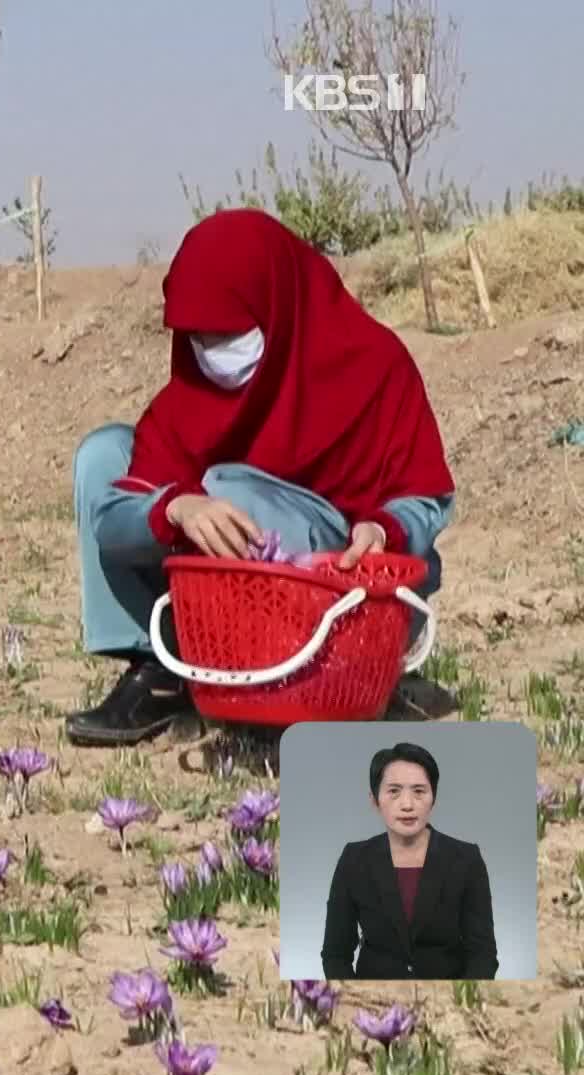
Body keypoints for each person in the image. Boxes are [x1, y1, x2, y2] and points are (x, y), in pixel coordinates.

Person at [66, 208, 455, 747]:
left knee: (226, 488)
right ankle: (158, 667)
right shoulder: (190, 400)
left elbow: (425, 495)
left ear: (280, 307)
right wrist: (176, 508)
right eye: (198, 335)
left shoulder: (374, 367)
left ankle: (294, 678)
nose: (214, 351)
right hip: (225, 607)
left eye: (229, 332)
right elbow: (113, 519)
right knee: (104, 455)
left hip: (343, 598)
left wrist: (384, 530)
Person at [320, 742, 497, 980]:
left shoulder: (466, 859)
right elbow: (335, 955)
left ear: (433, 798)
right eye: (394, 791)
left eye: (419, 791)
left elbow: (483, 954)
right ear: (375, 800)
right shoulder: (354, 859)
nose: (407, 805)